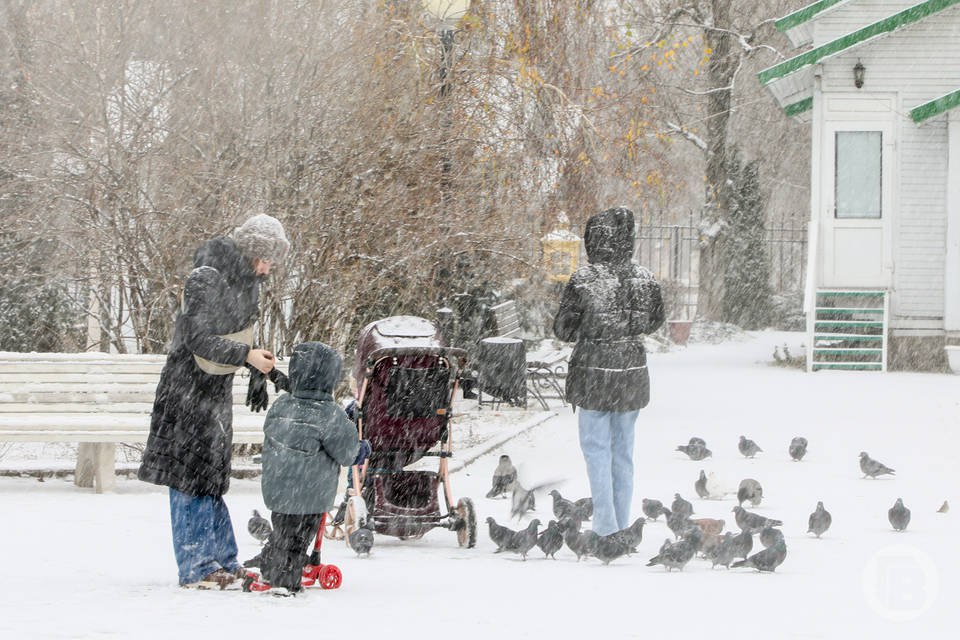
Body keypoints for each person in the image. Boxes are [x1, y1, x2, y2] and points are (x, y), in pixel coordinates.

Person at [138, 213, 290, 589]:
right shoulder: (206, 275)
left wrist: (259, 372)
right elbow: (197, 339)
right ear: (255, 251)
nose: (270, 268)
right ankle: (195, 567)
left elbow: (239, 335)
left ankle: (223, 558)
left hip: (215, 388)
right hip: (186, 388)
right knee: (188, 476)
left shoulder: (248, 284)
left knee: (212, 476)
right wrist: (246, 357)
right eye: (268, 258)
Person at [552, 207, 664, 536]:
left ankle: (604, 524)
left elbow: (564, 329)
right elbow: (655, 320)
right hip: (630, 372)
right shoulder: (644, 278)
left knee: (596, 451)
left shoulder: (583, 280)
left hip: (592, 373)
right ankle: (623, 523)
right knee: (623, 452)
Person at [255, 341, 370, 596]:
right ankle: (284, 581)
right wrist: (363, 449)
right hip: (309, 493)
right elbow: (346, 453)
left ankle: (270, 563)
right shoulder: (329, 415)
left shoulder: (282, 406)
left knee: (284, 533)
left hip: (278, 489)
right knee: (296, 541)